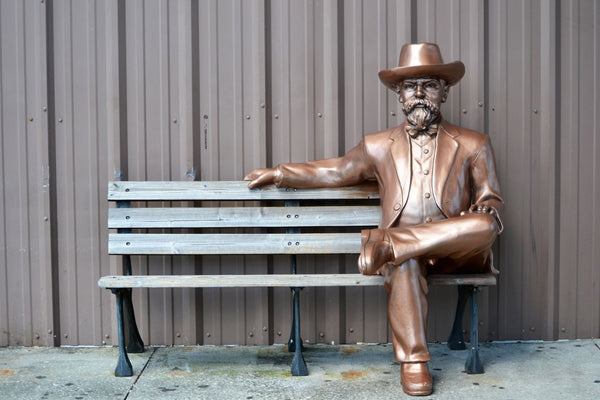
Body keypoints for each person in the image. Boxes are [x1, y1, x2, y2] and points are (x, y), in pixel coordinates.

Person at [244, 42, 503, 396]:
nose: (420, 93)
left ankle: (389, 242)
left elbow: (490, 201)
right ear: (399, 95)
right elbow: (336, 171)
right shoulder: (378, 145)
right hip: (405, 258)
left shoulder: (474, 143)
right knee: (404, 261)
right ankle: (414, 363)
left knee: (486, 224)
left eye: (428, 84)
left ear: (444, 91)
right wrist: (279, 173)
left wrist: (485, 209)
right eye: (411, 86)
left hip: (457, 252)